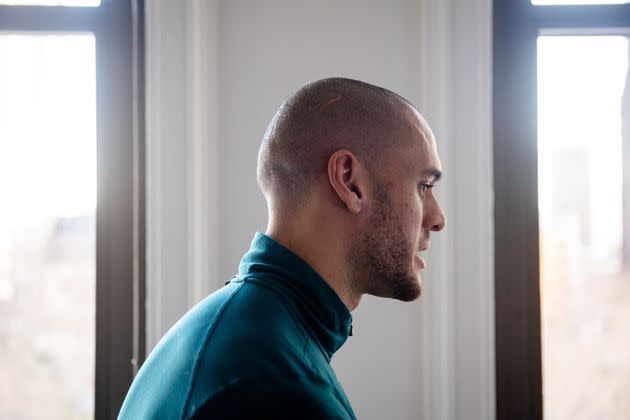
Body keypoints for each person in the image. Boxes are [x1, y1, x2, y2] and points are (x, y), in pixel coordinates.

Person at [118, 77, 446, 419]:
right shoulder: (276, 386)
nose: (438, 219)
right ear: (349, 181)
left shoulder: (239, 334)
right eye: (423, 186)